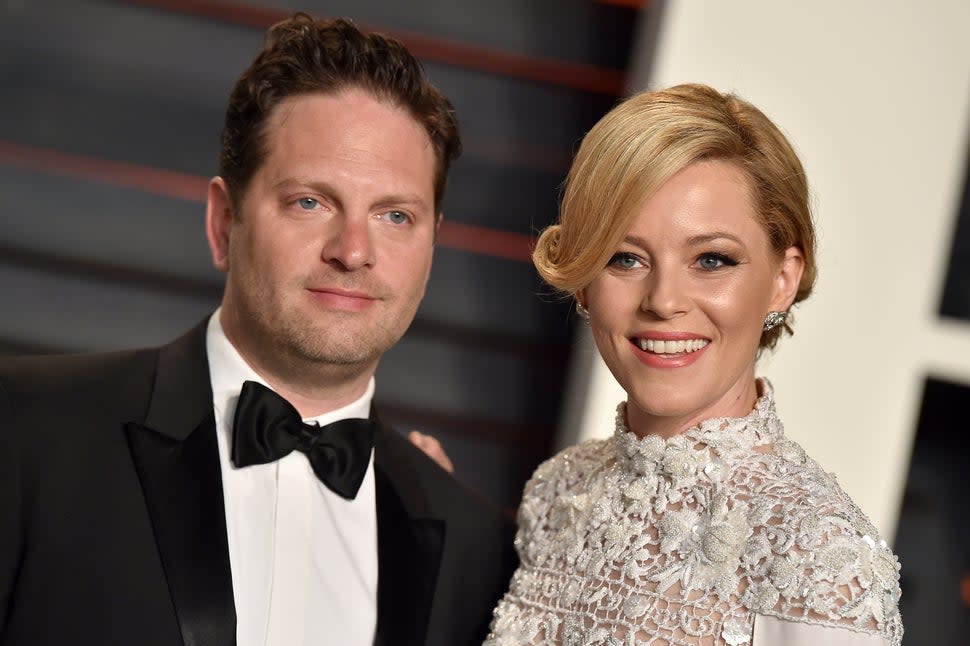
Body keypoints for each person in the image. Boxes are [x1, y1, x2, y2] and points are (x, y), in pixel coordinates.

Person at [0, 13, 516, 646]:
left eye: (395, 215)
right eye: (310, 202)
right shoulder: (25, 428)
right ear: (224, 223)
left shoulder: (480, 552)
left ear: (431, 249)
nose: (353, 251)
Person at [483, 83, 904, 645]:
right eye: (624, 258)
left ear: (783, 279)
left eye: (711, 259)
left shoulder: (820, 555)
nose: (662, 300)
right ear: (584, 280)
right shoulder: (557, 493)